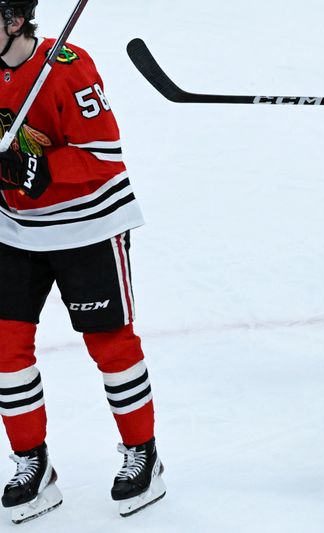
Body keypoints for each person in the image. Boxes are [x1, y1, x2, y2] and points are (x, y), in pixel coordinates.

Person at [0, 0, 164, 523]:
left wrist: (43, 169)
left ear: (14, 20)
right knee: (5, 349)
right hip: (16, 231)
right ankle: (33, 462)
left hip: (87, 225)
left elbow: (107, 154)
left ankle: (144, 453)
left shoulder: (67, 66)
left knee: (110, 345)